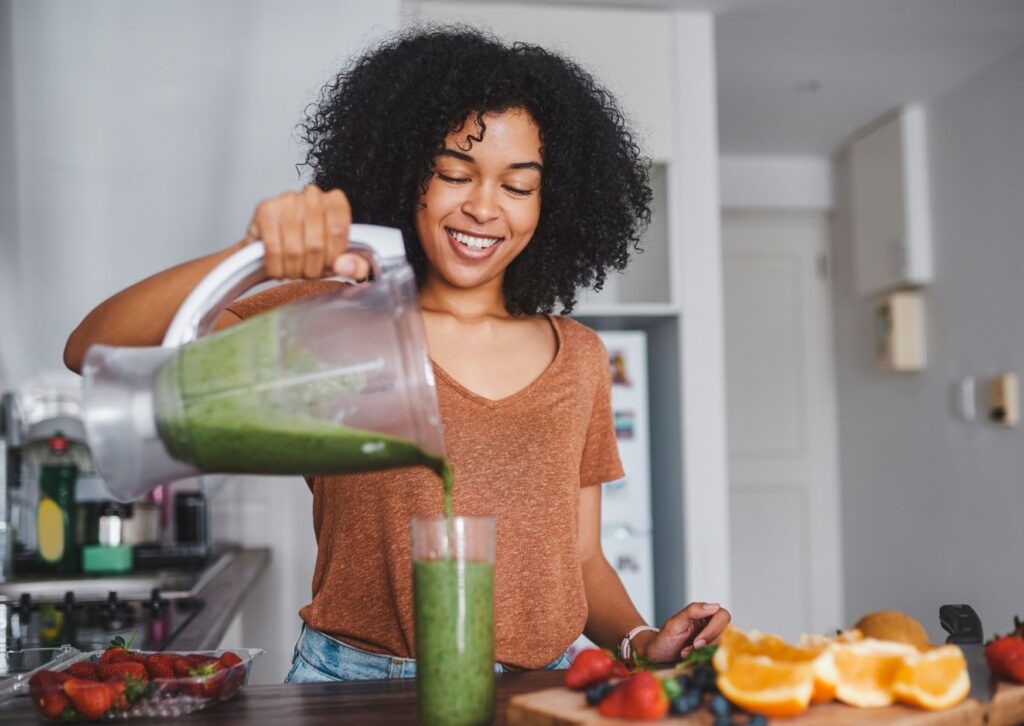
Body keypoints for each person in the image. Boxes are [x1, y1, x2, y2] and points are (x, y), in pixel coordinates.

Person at [64, 26, 730, 681]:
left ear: (552, 205)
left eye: (517, 186)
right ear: (405, 173)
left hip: (543, 688)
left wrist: (641, 640)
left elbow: (581, 558)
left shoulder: (579, 357)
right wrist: (253, 257)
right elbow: (91, 348)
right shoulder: (336, 319)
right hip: (356, 684)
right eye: (452, 174)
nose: (482, 207)